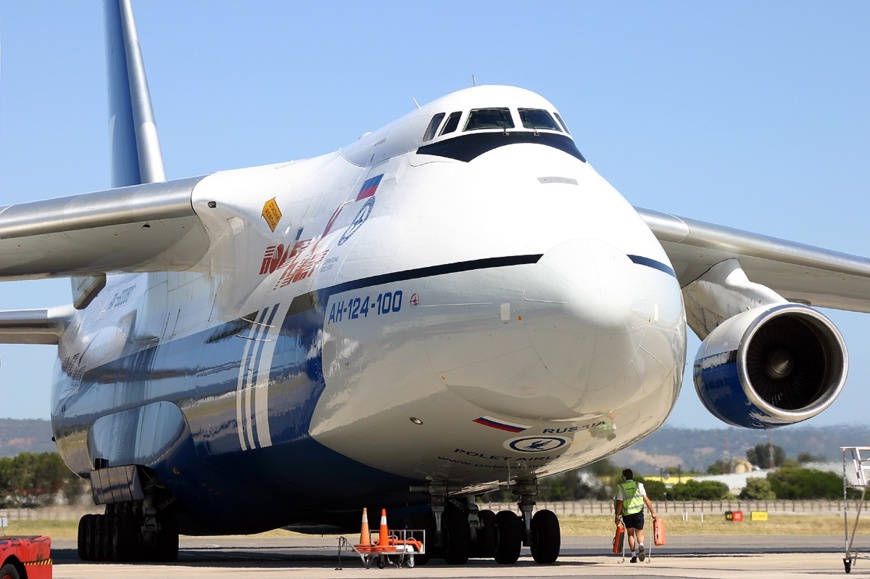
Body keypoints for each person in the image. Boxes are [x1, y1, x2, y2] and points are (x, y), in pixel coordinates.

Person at [614, 468, 657, 563]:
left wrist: (617, 517)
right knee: (639, 532)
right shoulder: (639, 485)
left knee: (630, 534)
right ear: (632, 476)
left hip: (627, 514)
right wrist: (653, 512)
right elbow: (646, 499)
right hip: (638, 513)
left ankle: (633, 555)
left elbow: (619, 503)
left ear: (624, 477)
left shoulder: (621, 487)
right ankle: (641, 544)